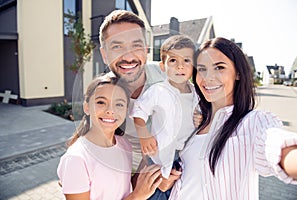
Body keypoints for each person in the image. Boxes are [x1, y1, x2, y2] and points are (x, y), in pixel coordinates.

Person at [168, 37, 297, 199]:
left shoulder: (252, 122)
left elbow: (277, 146)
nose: (208, 77)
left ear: (237, 72)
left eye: (219, 67)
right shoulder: (198, 125)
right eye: (202, 69)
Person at [57, 74, 163, 200]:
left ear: (126, 111)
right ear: (86, 107)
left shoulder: (124, 145)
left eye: (119, 104)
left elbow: (124, 186)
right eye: (101, 102)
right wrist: (137, 197)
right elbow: (135, 195)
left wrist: (149, 162)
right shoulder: (76, 159)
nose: (110, 110)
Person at [130, 34, 201, 199]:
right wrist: (144, 135)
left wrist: (201, 120)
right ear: (163, 66)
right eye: (173, 61)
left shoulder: (197, 93)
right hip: (161, 155)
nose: (180, 67)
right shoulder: (158, 91)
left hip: (187, 156)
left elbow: (204, 119)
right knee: (157, 192)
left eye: (186, 61)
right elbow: (139, 111)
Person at [99, 9, 166, 172]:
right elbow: (89, 134)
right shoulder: (102, 91)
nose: (128, 57)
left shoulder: (168, 76)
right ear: (104, 54)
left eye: (136, 46)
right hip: (124, 171)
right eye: (117, 46)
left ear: (146, 50)